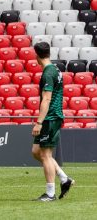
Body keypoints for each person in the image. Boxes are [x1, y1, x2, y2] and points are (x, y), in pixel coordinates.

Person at [31, 42, 74, 201]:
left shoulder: (48, 73)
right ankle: (64, 178)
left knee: (46, 155)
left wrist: (39, 122)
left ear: (36, 56)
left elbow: (47, 98)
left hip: (50, 117)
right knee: (37, 152)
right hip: (52, 116)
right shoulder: (56, 69)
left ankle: (50, 194)